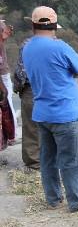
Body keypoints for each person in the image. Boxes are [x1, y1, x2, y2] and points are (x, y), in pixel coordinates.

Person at [22, 6, 78, 212]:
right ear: (55, 25)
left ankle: (53, 198)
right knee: (71, 160)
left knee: (48, 159)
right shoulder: (59, 47)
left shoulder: (27, 47)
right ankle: (76, 200)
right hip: (65, 113)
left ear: (33, 24)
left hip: (42, 112)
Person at [13, 35, 40, 169]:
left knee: (31, 128)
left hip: (31, 89)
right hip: (53, 90)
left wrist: (17, 88)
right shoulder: (58, 45)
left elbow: (20, 73)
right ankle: (51, 161)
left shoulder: (26, 44)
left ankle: (34, 163)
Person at [0, 21, 17, 147]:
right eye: (5, 30)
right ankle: (11, 136)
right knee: (8, 104)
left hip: (4, 74)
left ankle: (10, 135)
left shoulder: (1, 43)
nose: (8, 32)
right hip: (2, 75)